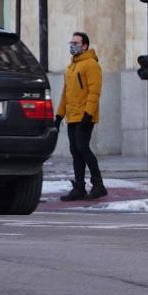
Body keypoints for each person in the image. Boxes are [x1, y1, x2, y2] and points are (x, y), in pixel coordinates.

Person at [55, 32, 106, 201]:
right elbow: (66, 94)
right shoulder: (70, 68)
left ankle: (98, 185)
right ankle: (79, 187)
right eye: (71, 42)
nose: (72, 45)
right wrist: (59, 116)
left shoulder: (91, 64)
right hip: (72, 116)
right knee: (75, 151)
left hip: (84, 116)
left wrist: (88, 114)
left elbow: (94, 91)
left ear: (85, 45)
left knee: (83, 148)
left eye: (76, 42)